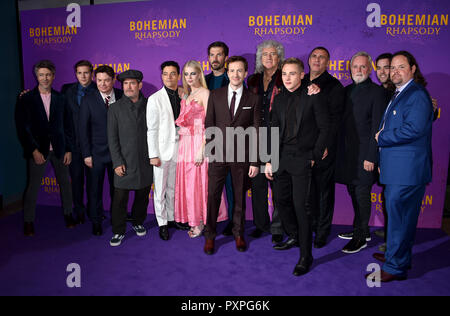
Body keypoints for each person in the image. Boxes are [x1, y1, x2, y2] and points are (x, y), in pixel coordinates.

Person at [370, 51, 433, 282]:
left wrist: (382, 137)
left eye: (401, 67)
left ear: (413, 69)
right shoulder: (401, 93)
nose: (395, 71)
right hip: (398, 168)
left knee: (400, 221)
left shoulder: (416, 95)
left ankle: (395, 267)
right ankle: (396, 257)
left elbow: (413, 130)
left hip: (407, 171)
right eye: (392, 68)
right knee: (399, 219)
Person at [265, 58, 329, 276]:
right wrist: (268, 159)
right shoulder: (279, 99)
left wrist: (314, 155)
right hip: (281, 158)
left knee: (302, 208)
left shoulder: (313, 95)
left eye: (292, 73)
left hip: (302, 159)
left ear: (303, 75)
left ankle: (305, 255)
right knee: (281, 201)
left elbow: (325, 128)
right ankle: (293, 235)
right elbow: (272, 129)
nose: (288, 78)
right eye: (284, 74)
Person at [203, 56, 260, 255]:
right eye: (232, 70)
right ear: (227, 73)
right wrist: (210, 151)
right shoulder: (215, 95)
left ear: (245, 73)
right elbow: (209, 124)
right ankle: (209, 235)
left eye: (240, 71)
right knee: (212, 196)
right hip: (218, 154)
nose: (236, 74)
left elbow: (256, 130)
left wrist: (254, 160)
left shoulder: (253, 98)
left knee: (239, 198)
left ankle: (238, 233)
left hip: (242, 157)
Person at [16, 60, 76, 236]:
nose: (45, 78)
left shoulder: (61, 98)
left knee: (65, 184)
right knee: (33, 187)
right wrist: (33, 150)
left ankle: (68, 214)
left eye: (48, 74)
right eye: (41, 75)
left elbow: (68, 126)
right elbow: (23, 128)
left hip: (59, 149)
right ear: (36, 76)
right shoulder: (26, 99)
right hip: (38, 150)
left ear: (53, 76)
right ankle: (28, 221)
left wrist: (68, 149)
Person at [335, 52, 387, 254]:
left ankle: (361, 237)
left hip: (365, 155)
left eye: (363, 67)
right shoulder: (347, 90)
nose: (358, 70)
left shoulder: (377, 92)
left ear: (370, 68)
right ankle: (361, 229)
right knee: (353, 192)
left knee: (362, 194)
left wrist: (371, 156)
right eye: (355, 67)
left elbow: (377, 127)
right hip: (347, 155)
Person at [174, 61, 227, 238]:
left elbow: (211, 123)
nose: (189, 78)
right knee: (190, 186)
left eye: (193, 74)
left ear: (199, 75)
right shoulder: (187, 95)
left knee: (201, 185)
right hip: (185, 145)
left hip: (199, 144)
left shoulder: (205, 93)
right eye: (186, 74)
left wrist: (202, 149)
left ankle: (203, 222)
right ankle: (195, 219)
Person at [304, 47, 345, 249]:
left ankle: (322, 231)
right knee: (306, 191)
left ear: (328, 61)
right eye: (314, 56)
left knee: (323, 192)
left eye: (322, 57)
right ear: (309, 60)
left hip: (323, 149)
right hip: (303, 148)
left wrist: (326, 145)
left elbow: (336, 120)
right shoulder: (300, 81)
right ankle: (308, 226)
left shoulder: (334, 86)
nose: (317, 60)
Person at [107, 69, 153, 246]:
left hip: (145, 161)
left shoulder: (150, 105)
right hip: (123, 162)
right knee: (119, 199)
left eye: (132, 83)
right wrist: (117, 162)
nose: (128, 87)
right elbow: (112, 138)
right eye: (125, 83)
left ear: (140, 85)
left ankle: (137, 221)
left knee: (142, 195)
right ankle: (118, 230)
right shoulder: (115, 108)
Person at [247, 40, 285, 244]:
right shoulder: (252, 81)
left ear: (279, 57)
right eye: (265, 54)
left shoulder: (285, 77)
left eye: (273, 54)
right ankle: (261, 224)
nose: (269, 57)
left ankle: (278, 227)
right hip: (256, 137)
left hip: (278, 137)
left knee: (278, 184)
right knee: (258, 184)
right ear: (260, 58)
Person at [147, 61, 189, 241]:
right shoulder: (154, 99)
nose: (169, 77)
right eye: (166, 73)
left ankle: (172, 218)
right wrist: (153, 154)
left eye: (173, 74)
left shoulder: (184, 95)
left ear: (178, 76)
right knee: (160, 189)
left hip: (180, 149)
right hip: (161, 152)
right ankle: (162, 223)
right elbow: (152, 129)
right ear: (161, 76)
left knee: (173, 187)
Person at [79, 65, 123, 236]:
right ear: (95, 80)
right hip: (95, 154)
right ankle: (96, 221)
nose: (103, 84)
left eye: (106, 80)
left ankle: (116, 218)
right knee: (94, 190)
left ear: (113, 80)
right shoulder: (88, 99)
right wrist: (86, 154)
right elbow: (82, 130)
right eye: (99, 80)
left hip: (117, 154)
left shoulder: (121, 96)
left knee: (117, 190)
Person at [60, 60, 97, 224]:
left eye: (86, 72)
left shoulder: (100, 89)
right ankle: (79, 211)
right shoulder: (67, 90)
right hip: (74, 147)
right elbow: (63, 121)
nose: (83, 76)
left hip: (94, 146)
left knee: (93, 182)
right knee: (76, 181)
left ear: (92, 73)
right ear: (75, 74)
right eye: (79, 73)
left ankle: (93, 210)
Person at [205, 41, 235, 236]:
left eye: (219, 55)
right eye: (212, 55)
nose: (215, 59)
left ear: (225, 57)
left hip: (231, 142)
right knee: (211, 187)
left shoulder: (233, 78)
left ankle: (233, 222)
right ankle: (210, 222)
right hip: (207, 141)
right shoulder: (203, 80)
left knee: (232, 186)